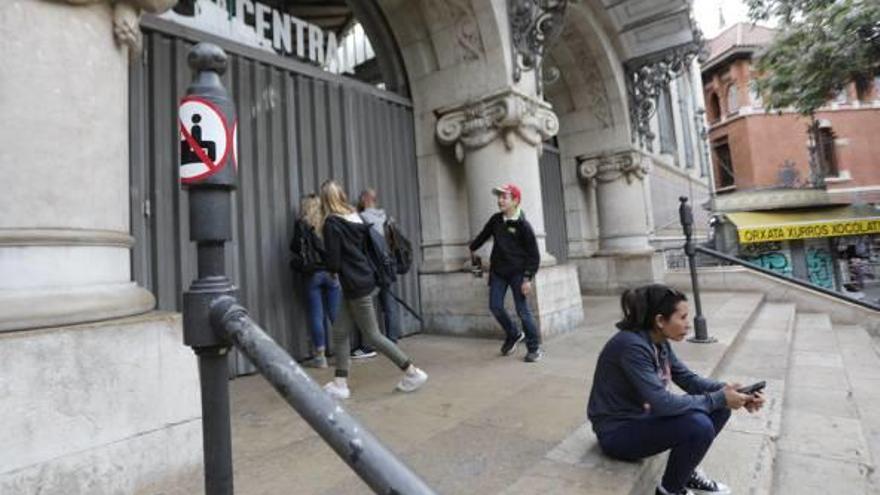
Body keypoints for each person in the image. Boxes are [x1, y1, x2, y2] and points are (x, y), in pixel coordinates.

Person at [587, 284, 766, 495]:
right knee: (698, 426)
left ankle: (686, 473)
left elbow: (689, 380)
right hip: (617, 433)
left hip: (642, 417)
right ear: (660, 320)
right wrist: (719, 398)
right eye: (682, 318)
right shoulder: (631, 346)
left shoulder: (658, 341)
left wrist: (732, 392)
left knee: (720, 407)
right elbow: (663, 404)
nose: (688, 325)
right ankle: (669, 491)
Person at [319, 179, 428, 400]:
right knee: (340, 332)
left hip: (355, 284)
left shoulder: (332, 223)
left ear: (326, 200)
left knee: (373, 335)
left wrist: (327, 265)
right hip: (361, 281)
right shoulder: (355, 218)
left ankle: (412, 372)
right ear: (341, 195)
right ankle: (340, 383)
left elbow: (333, 262)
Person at [468, 183, 543, 362]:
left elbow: (534, 255)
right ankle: (514, 334)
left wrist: (527, 278)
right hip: (499, 272)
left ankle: (534, 348)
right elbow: (482, 236)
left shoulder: (523, 225)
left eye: (504, 197)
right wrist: (472, 249)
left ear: (515, 201)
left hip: (518, 273)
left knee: (522, 310)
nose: (500, 200)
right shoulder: (496, 220)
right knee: (495, 306)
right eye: (499, 197)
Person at [289, 194, 339, 369]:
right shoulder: (328, 222)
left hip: (312, 274)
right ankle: (342, 354)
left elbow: (294, 247)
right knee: (335, 314)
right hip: (331, 273)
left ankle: (321, 357)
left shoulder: (301, 224)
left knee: (316, 315)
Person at [358, 187, 402, 344]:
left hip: (372, 268)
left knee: (366, 305)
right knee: (389, 304)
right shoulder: (386, 218)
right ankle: (392, 338)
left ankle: (368, 343)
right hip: (387, 265)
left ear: (365, 199)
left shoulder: (362, 218)